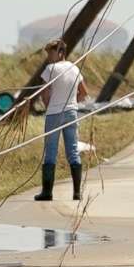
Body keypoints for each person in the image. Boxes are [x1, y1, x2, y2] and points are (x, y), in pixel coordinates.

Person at [28, 39, 85, 201]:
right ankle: (77, 193)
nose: (49, 57)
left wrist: (49, 106)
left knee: (50, 152)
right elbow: (83, 92)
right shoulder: (74, 68)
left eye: (51, 53)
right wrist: (72, 103)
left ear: (60, 53)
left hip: (54, 114)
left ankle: (47, 192)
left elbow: (45, 93)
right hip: (71, 113)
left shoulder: (50, 69)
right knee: (73, 151)